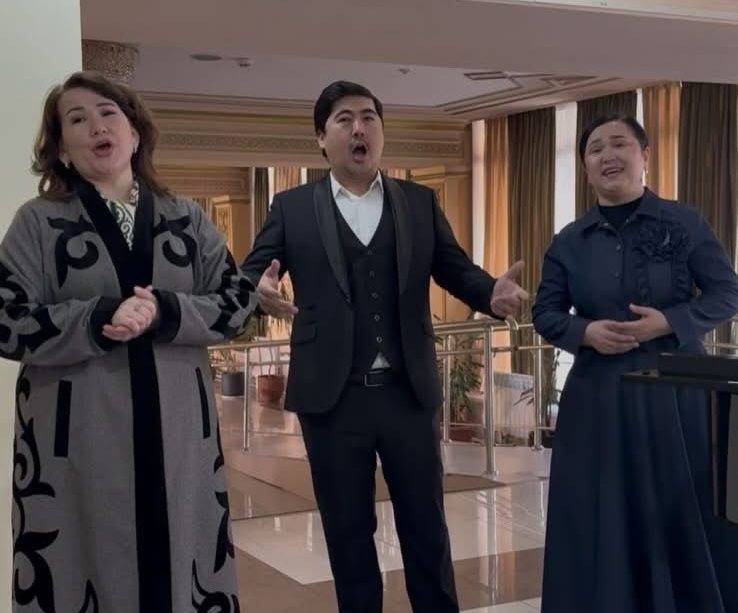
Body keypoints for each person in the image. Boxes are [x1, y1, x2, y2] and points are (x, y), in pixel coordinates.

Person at [241, 80, 528, 613]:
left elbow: (454, 268)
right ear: (321, 139)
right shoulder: (292, 207)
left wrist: (491, 293)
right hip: (332, 399)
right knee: (347, 533)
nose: (359, 128)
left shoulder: (417, 202)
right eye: (345, 119)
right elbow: (251, 275)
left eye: (369, 117)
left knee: (426, 527)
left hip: (407, 394)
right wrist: (257, 291)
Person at [4, 71, 256, 612]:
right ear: (61, 150)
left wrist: (166, 310)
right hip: (76, 440)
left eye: (108, 113)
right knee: (79, 567)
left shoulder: (186, 217)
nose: (97, 126)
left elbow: (237, 303)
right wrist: (97, 316)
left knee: (182, 565)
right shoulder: (38, 223)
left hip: (179, 435)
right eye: (77, 119)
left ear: (135, 133)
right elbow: (6, 318)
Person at [533, 113, 738, 612]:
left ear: (644, 155)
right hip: (597, 398)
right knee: (600, 508)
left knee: (679, 506)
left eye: (619, 144)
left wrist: (666, 322)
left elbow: (726, 293)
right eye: (595, 149)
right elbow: (545, 312)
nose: (608, 155)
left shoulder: (684, 223)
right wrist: (586, 333)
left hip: (676, 394)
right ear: (585, 167)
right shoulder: (569, 241)